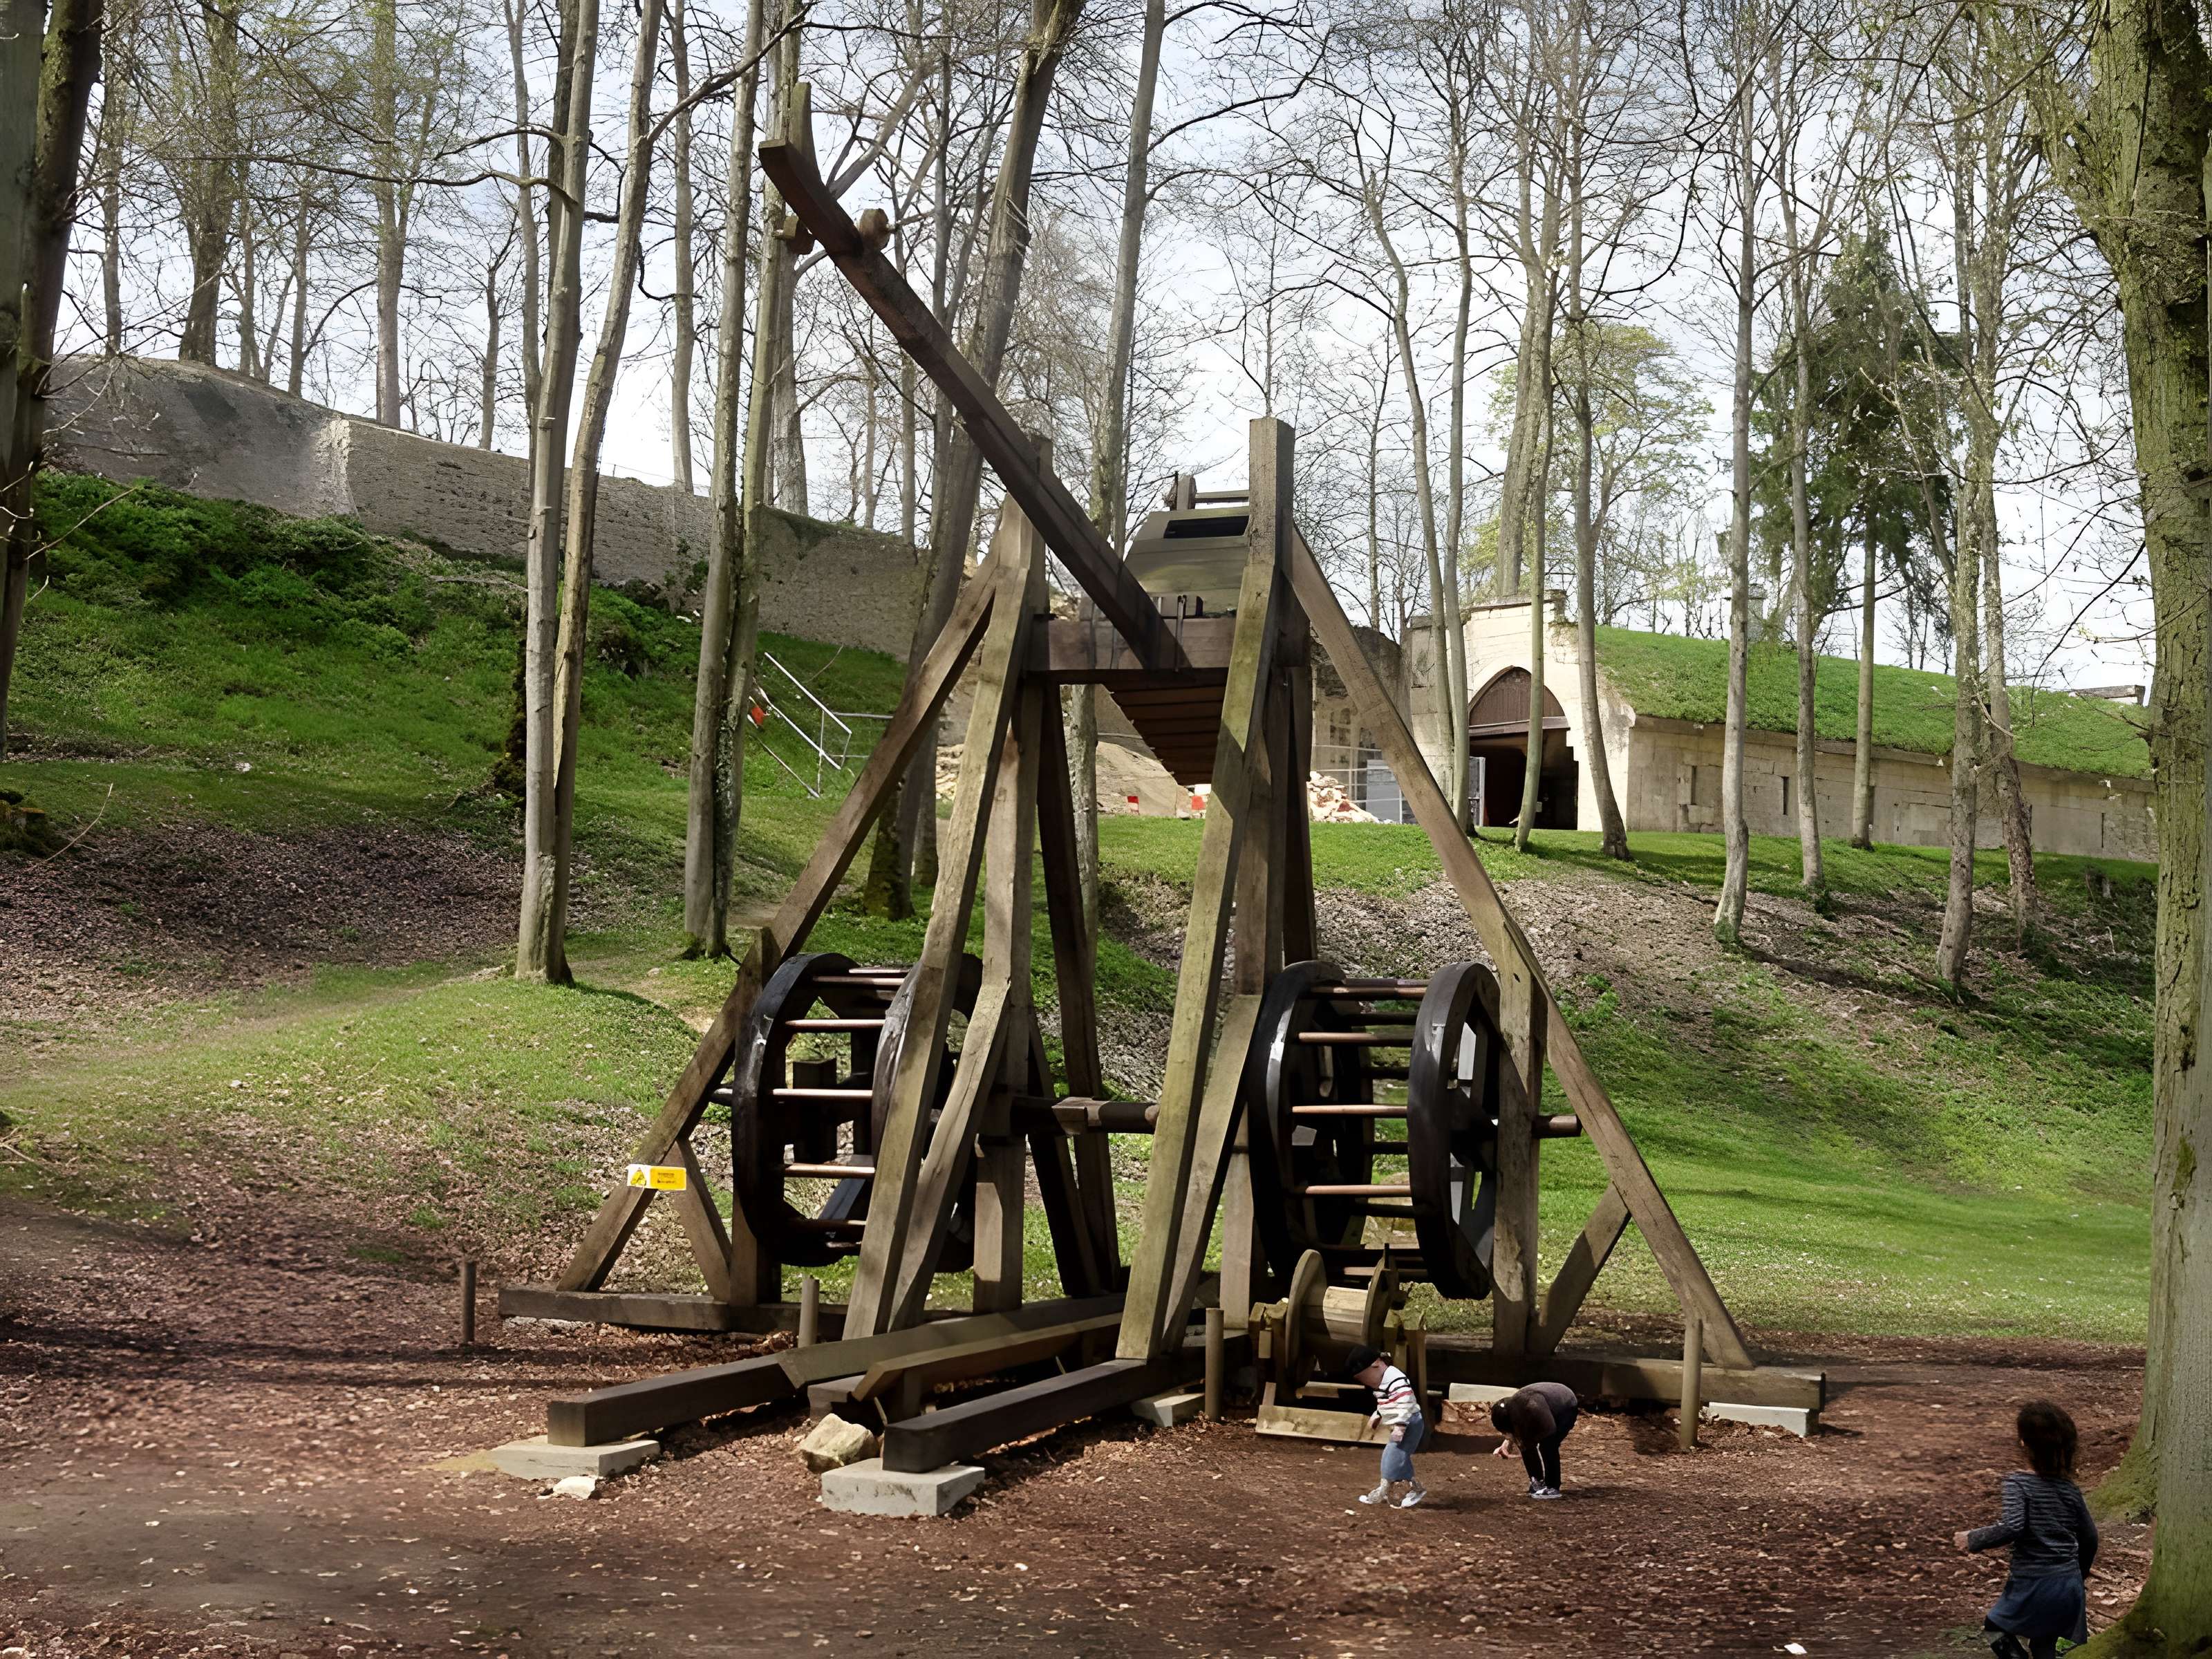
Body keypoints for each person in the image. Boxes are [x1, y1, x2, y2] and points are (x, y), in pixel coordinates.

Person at [1953, 1401, 2099, 1659]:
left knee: (1994, 1628)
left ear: (2024, 1443)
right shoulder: (2070, 1490)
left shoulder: (2018, 1484)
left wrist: (1972, 1538)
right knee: (2043, 1646)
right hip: (2067, 1586)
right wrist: (2080, 1573)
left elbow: (2012, 1526)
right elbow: (2089, 1537)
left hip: (2034, 1582)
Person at [1346, 1344, 1426, 1509]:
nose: (1366, 1383)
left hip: (1410, 1422)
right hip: (1402, 1423)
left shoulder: (1396, 1380)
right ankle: (1388, 1489)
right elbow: (1386, 1402)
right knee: (1397, 1458)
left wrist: (1400, 1427)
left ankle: (1410, 1489)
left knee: (1392, 1457)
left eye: (1365, 1377)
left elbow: (1405, 1403)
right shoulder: (1382, 1382)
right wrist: (1378, 1415)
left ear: (1376, 1364)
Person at [1488, 1380, 1579, 1499]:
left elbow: (1549, 1429)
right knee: (1526, 1445)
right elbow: (1519, 1433)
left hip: (1566, 1406)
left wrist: (1525, 1440)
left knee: (1547, 1446)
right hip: (1550, 1402)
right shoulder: (1515, 1409)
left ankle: (1553, 1488)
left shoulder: (1530, 1406)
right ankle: (1537, 1482)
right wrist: (1511, 1440)